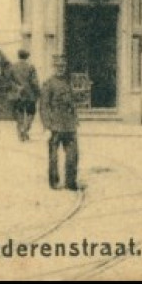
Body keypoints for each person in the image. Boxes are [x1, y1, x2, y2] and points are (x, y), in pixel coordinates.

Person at [41, 56, 79, 191]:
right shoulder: (48, 84)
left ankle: (71, 181)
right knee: (53, 156)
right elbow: (44, 106)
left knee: (73, 154)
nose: (60, 69)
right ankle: (54, 180)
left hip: (69, 124)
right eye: (58, 66)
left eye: (62, 66)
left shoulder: (68, 82)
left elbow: (72, 102)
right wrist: (46, 125)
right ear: (54, 67)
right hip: (55, 124)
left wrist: (75, 118)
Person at [7, 49, 40, 142]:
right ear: (27, 57)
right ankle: (25, 130)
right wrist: (38, 92)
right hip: (30, 94)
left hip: (18, 94)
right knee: (31, 113)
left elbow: (8, 81)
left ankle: (21, 133)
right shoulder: (30, 67)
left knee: (20, 113)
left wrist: (17, 87)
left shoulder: (13, 67)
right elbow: (34, 82)